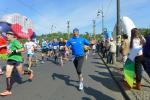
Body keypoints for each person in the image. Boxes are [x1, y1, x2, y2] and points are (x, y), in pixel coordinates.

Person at [0, 31, 33, 96]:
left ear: (12, 35)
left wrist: (13, 51)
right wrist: (7, 53)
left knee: (21, 73)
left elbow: (22, 49)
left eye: (8, 35)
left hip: (17, 60)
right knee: (7, 74)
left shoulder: (15, 41)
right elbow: (8, 50)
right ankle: (8, 90)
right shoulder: (9, 43)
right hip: (10, 60)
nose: (7, 36)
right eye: (6, 35)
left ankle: (29, 73)